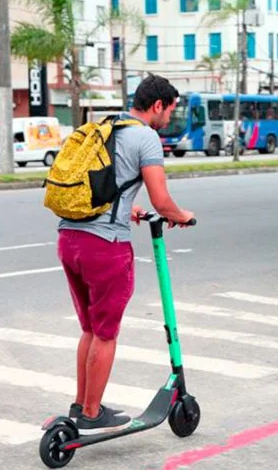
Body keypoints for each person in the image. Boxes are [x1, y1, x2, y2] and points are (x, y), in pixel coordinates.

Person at [56, 75, 194, 433]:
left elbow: (106, 183)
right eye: (170, 111)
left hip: (70, 238)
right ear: (158, 105)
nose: (169, 120)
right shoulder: (146, 137)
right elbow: (161, 200)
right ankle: (90, 413)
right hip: (105, 246)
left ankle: (81, 404)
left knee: (90, 328)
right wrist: (182, 215)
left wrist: (128, 208)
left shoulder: (105, 125)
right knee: (105, 333)